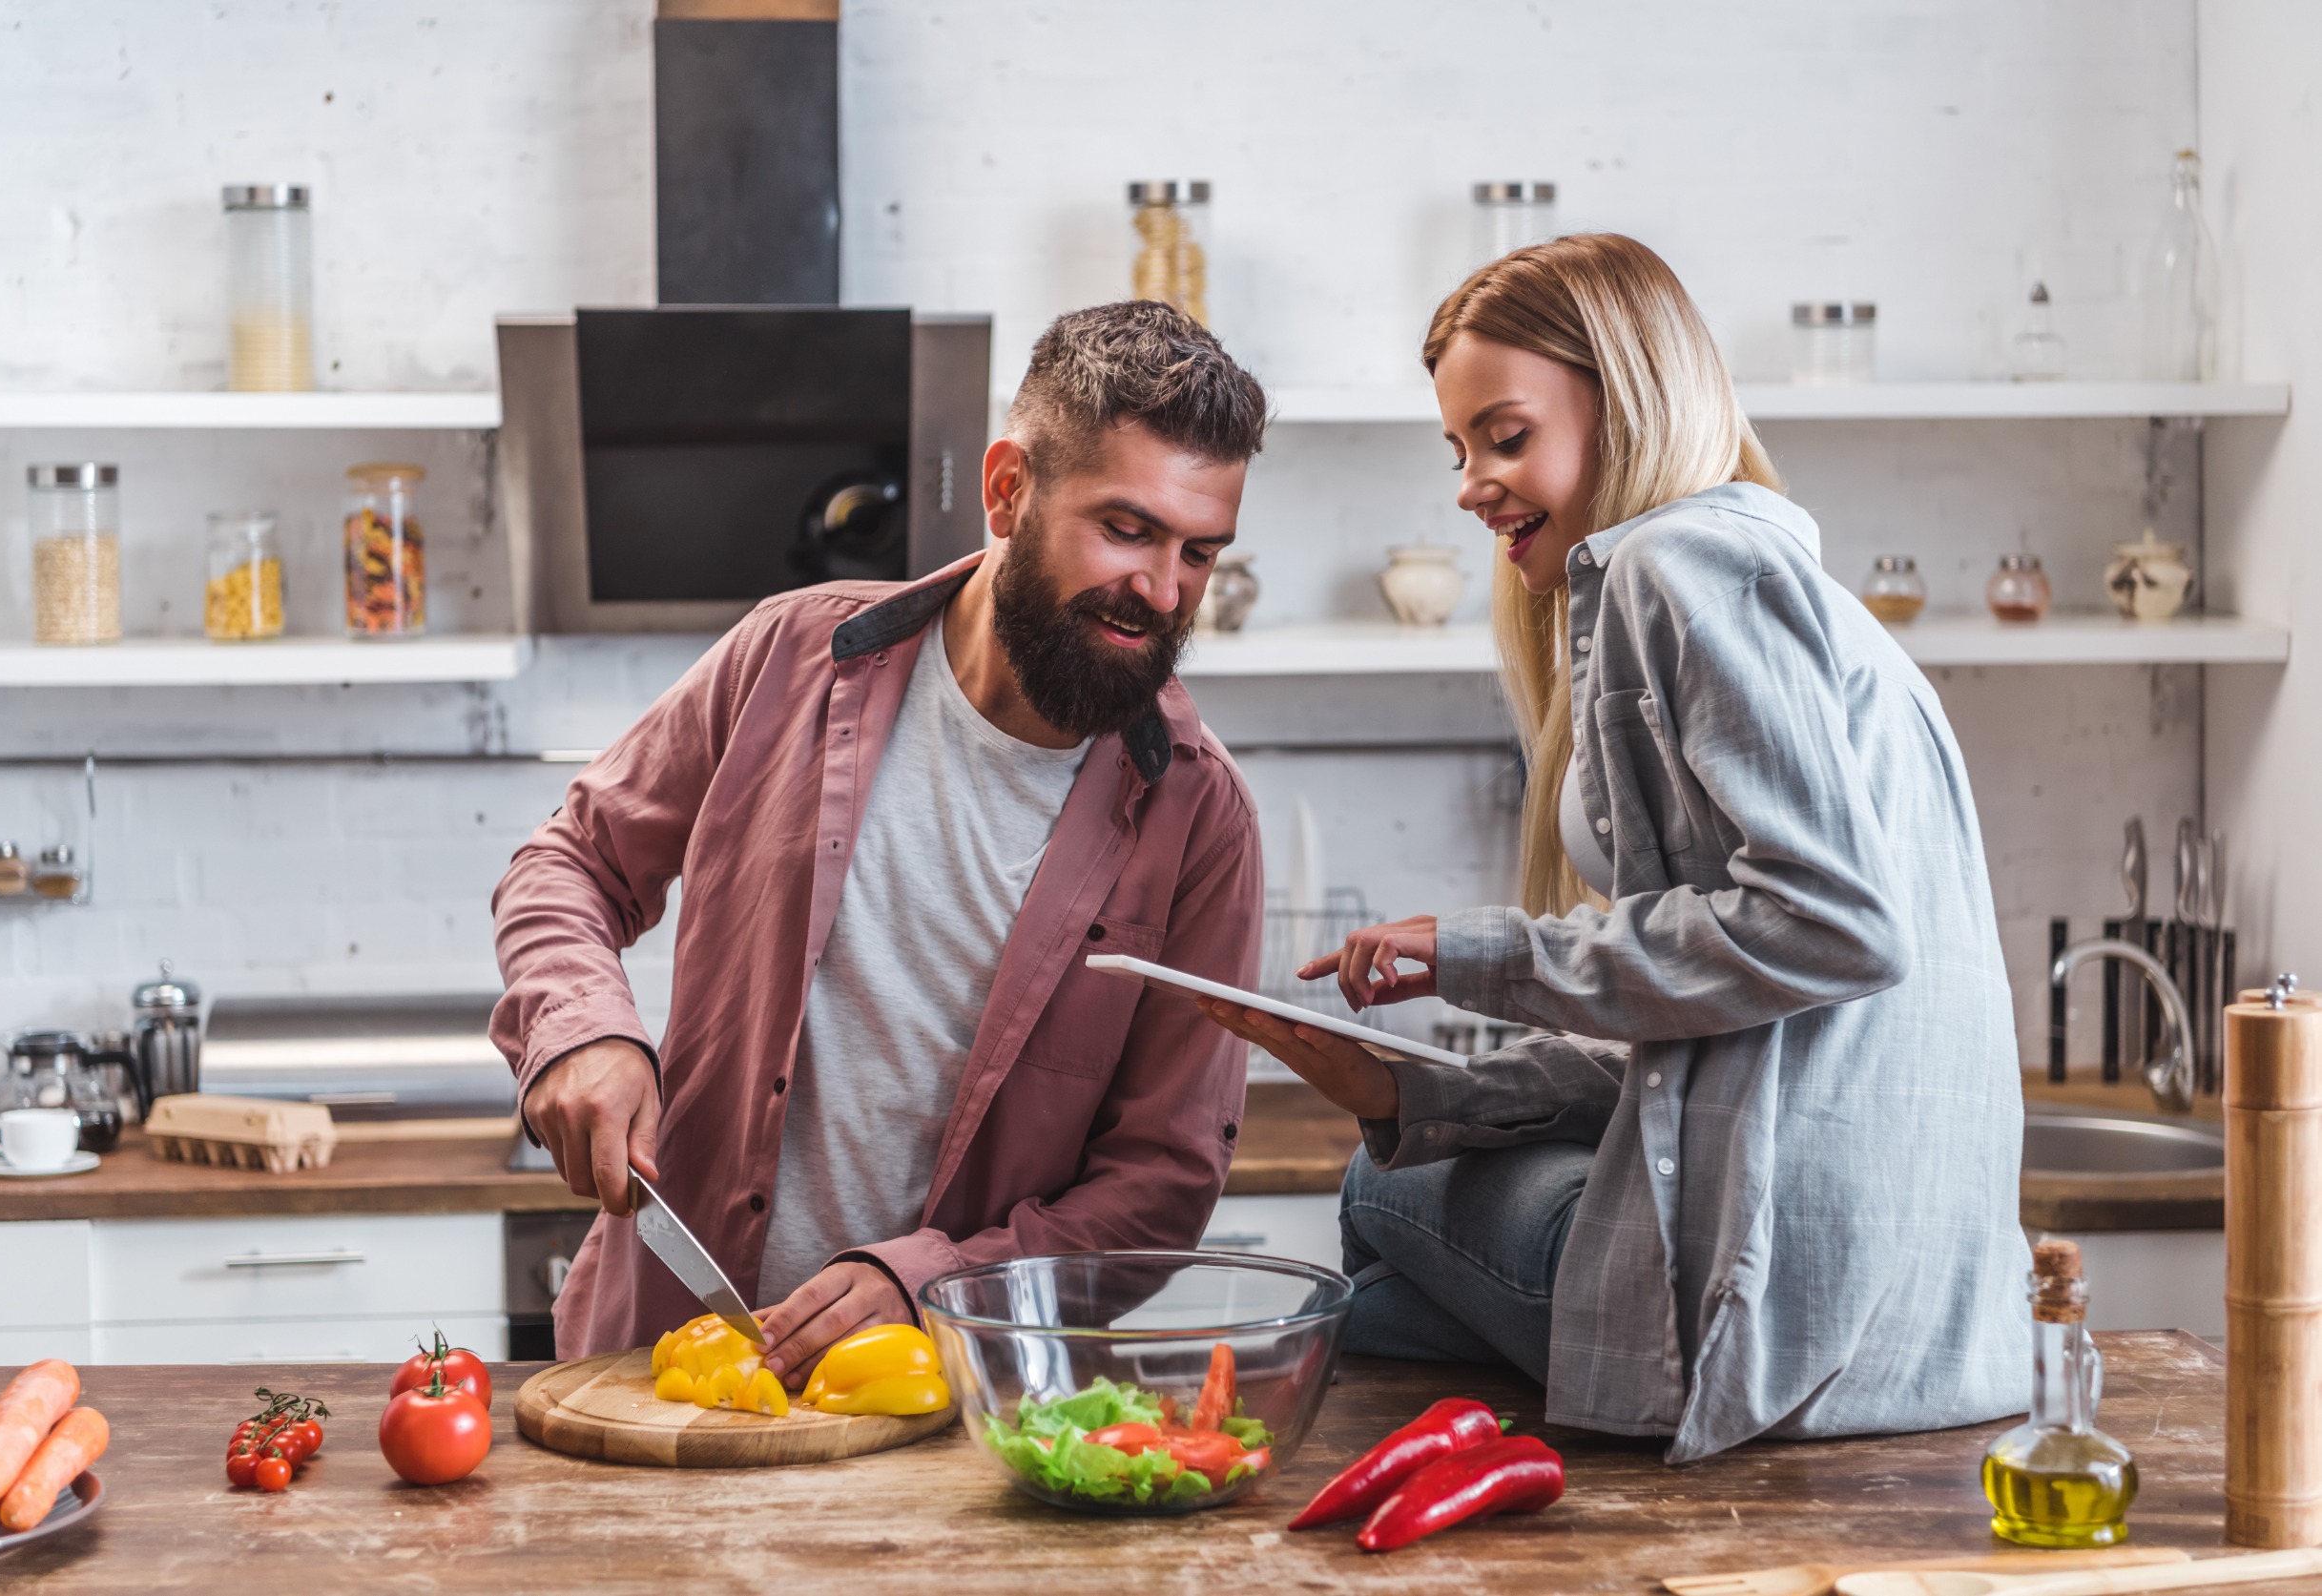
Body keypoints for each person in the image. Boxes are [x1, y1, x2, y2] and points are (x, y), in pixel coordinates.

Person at [1196, 234, 2030, 1464]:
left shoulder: (1672, 563)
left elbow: (1831, 925)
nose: (1471, 484)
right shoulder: (1781, 579)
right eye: (1458, 448)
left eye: (1505, 435)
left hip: (1778, 1319)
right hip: (1934, 1334)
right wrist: (1431, 1086)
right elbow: (1734, 1012)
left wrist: (1482, 955)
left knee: (1378, 1204)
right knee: (1408, 1202)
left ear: (1624, 399)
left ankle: (1581, 1385)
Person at [492, 301, 1268, 1380]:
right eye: (1126, 529)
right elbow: (570, 861)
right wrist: (581, 1030)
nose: (1162, 589)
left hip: (952, 1407)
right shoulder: (790, 655)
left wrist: (933, 1279)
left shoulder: (1201, 816)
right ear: (1007, 489)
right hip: (654, 1369)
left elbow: (1159, 1179)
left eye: (1198, 551)